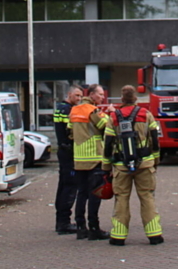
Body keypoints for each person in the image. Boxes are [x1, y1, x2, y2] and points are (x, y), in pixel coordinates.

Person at [102, 85, 162, 246]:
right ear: (135, 98)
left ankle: (118, 236)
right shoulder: (146, 114)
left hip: (121, 166)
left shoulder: (113, 117)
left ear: (122, 99)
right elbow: (155, 140)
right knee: (147, 197)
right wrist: (155, 161)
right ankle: (154, 235)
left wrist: (106, 167)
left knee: (121, 198)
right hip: (145, 164)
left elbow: (108, 144)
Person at [70, 83, 110, 240]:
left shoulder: (74, 110)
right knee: (95, 194)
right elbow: (106, 126)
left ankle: (81, 227)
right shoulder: (93, 110)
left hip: (79, 159)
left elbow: (70, 132)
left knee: (82, 194)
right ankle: (94, 228)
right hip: (94, 158)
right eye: (100, 94)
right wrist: (109, 113)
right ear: (92, 95)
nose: (102, 97)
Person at [53, 84, 83, 235]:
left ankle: (60, 220)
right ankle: (64, 223)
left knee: (63, 186)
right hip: (68, 152)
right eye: (77, 96)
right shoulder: (68, 110)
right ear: (69, 94)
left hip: (63, 151)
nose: (79, 99)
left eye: (80, 96)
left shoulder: (60, 108)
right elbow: (70, 131)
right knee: (70, 187)